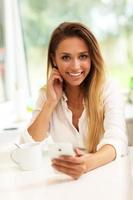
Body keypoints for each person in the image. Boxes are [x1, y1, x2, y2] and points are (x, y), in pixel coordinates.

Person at [22, 22, 128, 179]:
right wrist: (50, 103)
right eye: (66, 57)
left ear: (92, 57)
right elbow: (28, 144)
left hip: (107, 177)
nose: (75, 66)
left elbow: (117, 140)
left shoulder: (108, 88)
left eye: (83, 56)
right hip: (68, 181)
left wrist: (87, 164)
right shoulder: (47, 94)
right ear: (54, 59)